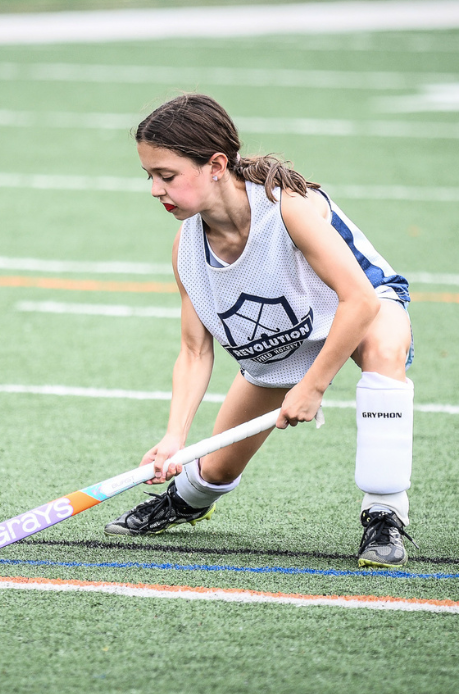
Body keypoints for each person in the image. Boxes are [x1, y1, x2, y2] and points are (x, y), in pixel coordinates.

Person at [104, 94, 416, 568]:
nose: (154, 189)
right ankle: (186, 500)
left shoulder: (287, 208)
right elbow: (194, 351)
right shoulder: (186, 248)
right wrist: (174, 438)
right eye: (149, 176)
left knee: (385, 352)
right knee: (217, 466)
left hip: (356, 307)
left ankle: (384, 514)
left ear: (215, 165)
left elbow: (360, 301)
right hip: (284, 336)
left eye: (166, 175)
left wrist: (312, 387)